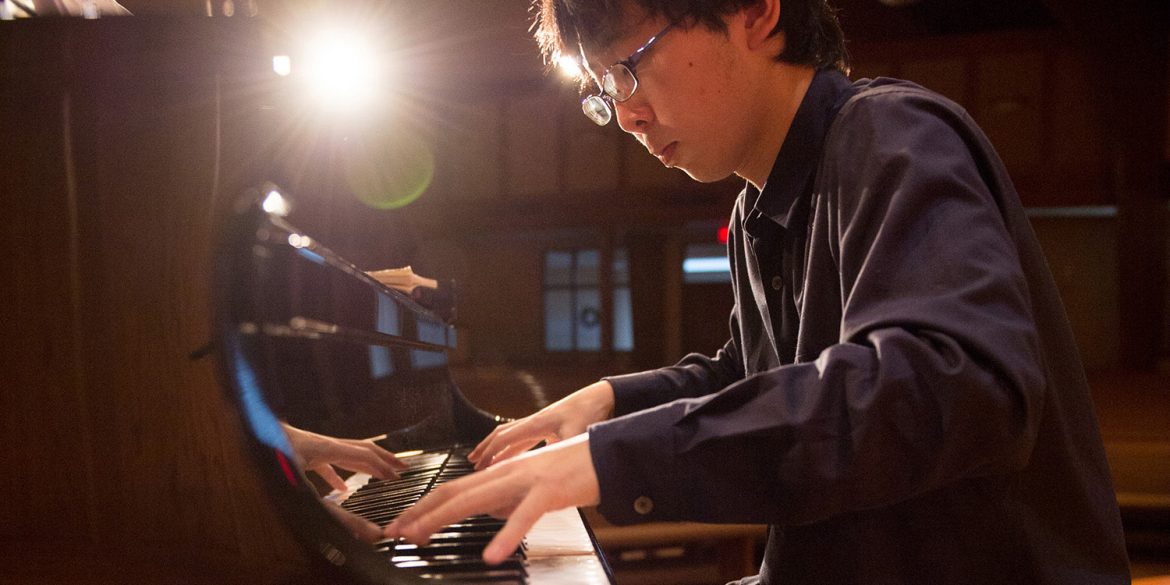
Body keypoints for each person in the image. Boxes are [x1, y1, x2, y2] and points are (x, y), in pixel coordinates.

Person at [385, 0, 1132, 582]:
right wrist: (606, 402)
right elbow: (755, 376)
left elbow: (951, 382)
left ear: (757, 13)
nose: (627, 114)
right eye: (604, 92)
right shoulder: (755, 210)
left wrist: (615, 459)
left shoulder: (894, 135)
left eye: (629, 67)